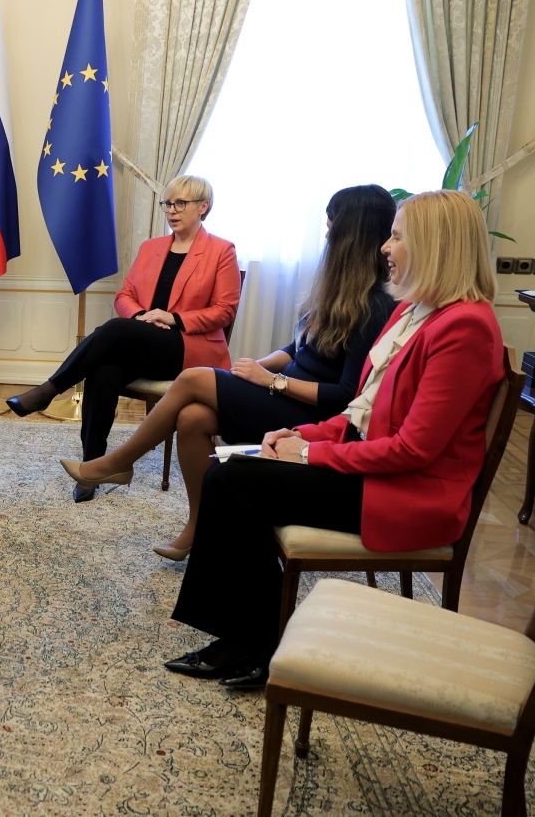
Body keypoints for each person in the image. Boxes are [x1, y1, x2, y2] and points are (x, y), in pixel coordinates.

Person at [164, 189, 504, 690]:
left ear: (435, 245)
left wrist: (310, 454)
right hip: (375, 471)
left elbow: (414, 450)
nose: (385, 247)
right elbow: (360, 411)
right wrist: (298, 433)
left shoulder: (466, 328)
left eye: (397, 237)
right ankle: (246, 638)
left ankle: (250, 644)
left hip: (405, 492)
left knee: (233, 482)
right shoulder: (413, 312)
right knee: (228, 469)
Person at [62, 185, 398, 559]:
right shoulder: (337, 294)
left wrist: (272, 381)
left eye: (331, 226)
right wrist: (257, 368)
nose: (326, 235)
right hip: (283, 394)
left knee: (193, 378)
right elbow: (296, 350)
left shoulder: (375, 308)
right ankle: (198, 528)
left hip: (309, 416)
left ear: (350, 234)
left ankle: (119, 463)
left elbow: (346, 397)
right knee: (192, 418)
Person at [7, 175, 241, 503]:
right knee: (104, 370)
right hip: (143, 340)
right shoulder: (151, 248)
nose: (171, 211)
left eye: (180, 204)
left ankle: (50, 389)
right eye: (167, 204)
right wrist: (142, 317)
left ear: (203, 207)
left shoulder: (221, 251)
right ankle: (92, 466)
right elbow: (125, 295)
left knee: (116, 330)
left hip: (187, 348)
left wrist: (171, 318)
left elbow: (224, 311)